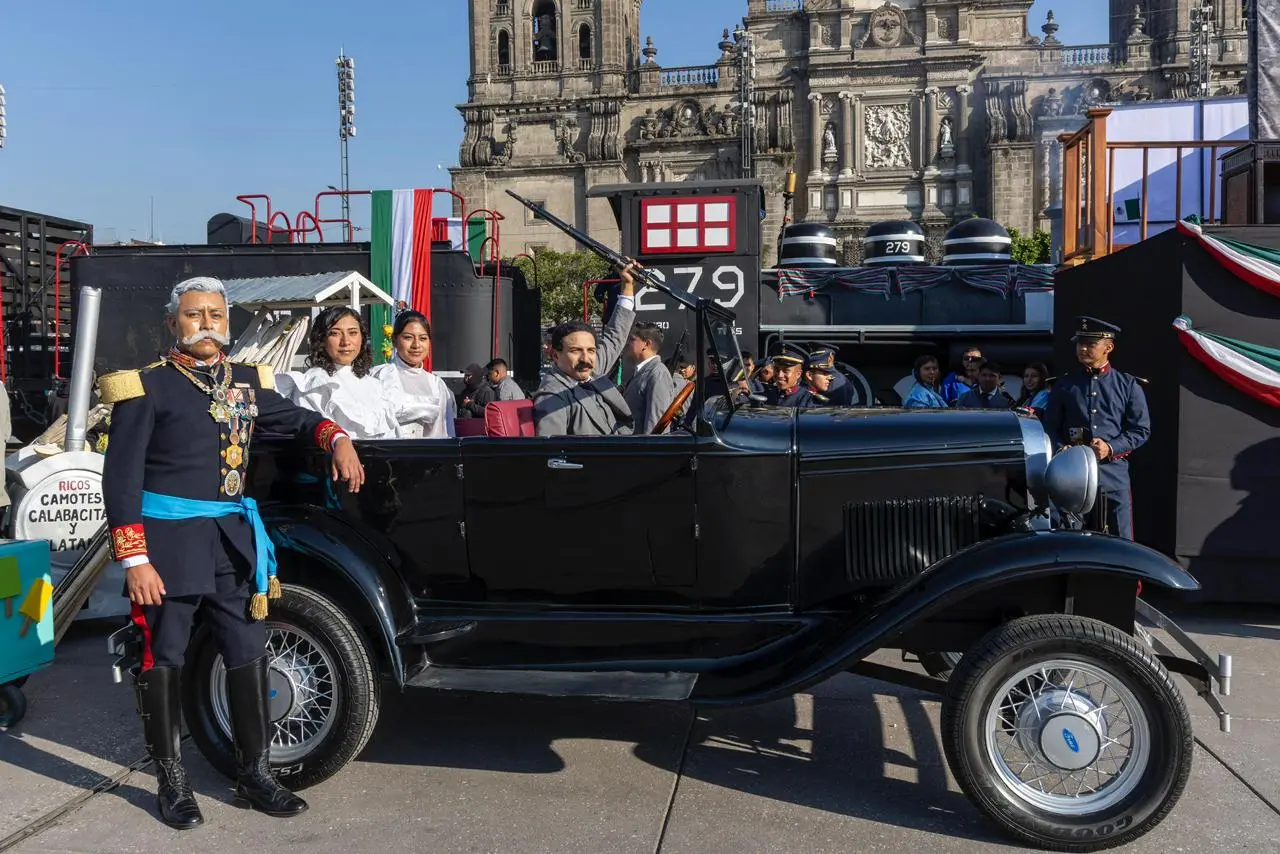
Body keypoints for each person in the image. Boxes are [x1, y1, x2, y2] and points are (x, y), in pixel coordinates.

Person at [98, 276, 364, 830]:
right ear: (172, 323)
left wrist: (336, 437)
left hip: (231, 544)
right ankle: (172, 781)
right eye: (194, 315)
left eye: (215, 315)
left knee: (246, 650)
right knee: (163, 656)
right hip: (167, 548)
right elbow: (119, 481)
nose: (206, 324)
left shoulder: (244, 382)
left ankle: (255, 773)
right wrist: (135, 560)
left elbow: (294, 419)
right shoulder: (145, 387)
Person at [1042, 316, 1150, 539]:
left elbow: (1140, 430)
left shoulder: (1127, 385)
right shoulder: (1065, 385)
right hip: (1072, 477)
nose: (1082, 349)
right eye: (1079, 344)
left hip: (1113, 477)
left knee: (1121, 542)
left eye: (1090, 344)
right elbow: (1050, 427)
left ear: (1108, 347)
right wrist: (1062, 448)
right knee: (1069, 541)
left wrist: (1110, 448)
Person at [533, 260, 640, 436]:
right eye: (575, 351)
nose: (585, 358)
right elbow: (553, 449)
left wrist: (627, 285)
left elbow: (615, 336)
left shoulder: (589, 370)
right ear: (555, 356)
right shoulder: (552, 395)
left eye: (591, 350)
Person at [275, 306, 403, 439]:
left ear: (362, 338)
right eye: (335, 333)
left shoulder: (374, 384)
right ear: (321, 339)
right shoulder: (315, 385)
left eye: (353, 333)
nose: (345, 342)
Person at [369, 310, 456, 438]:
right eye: (408, 337)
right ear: (394, 340)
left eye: (423, 338)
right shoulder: (378, 376)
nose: (416, 345)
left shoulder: (436, 385)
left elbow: (442, 433)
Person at [623, 321, 679, 433]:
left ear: (646, 344)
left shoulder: (658, 374)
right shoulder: (642, 372)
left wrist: (649, 445)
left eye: (632, 339)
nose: (627, 343)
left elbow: (655, 426)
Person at [462, 357, 526, 416]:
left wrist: (470, 404)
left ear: (497, 373)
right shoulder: (511, 384)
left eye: (490, 374)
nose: (488, 377)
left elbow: (499, 414)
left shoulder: (503, 389)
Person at [765, 343, 819, 408]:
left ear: (798, 374)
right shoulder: (767, 394)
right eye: (776, 369)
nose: (779, 375)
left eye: (785, 371)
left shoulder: (808, 400)